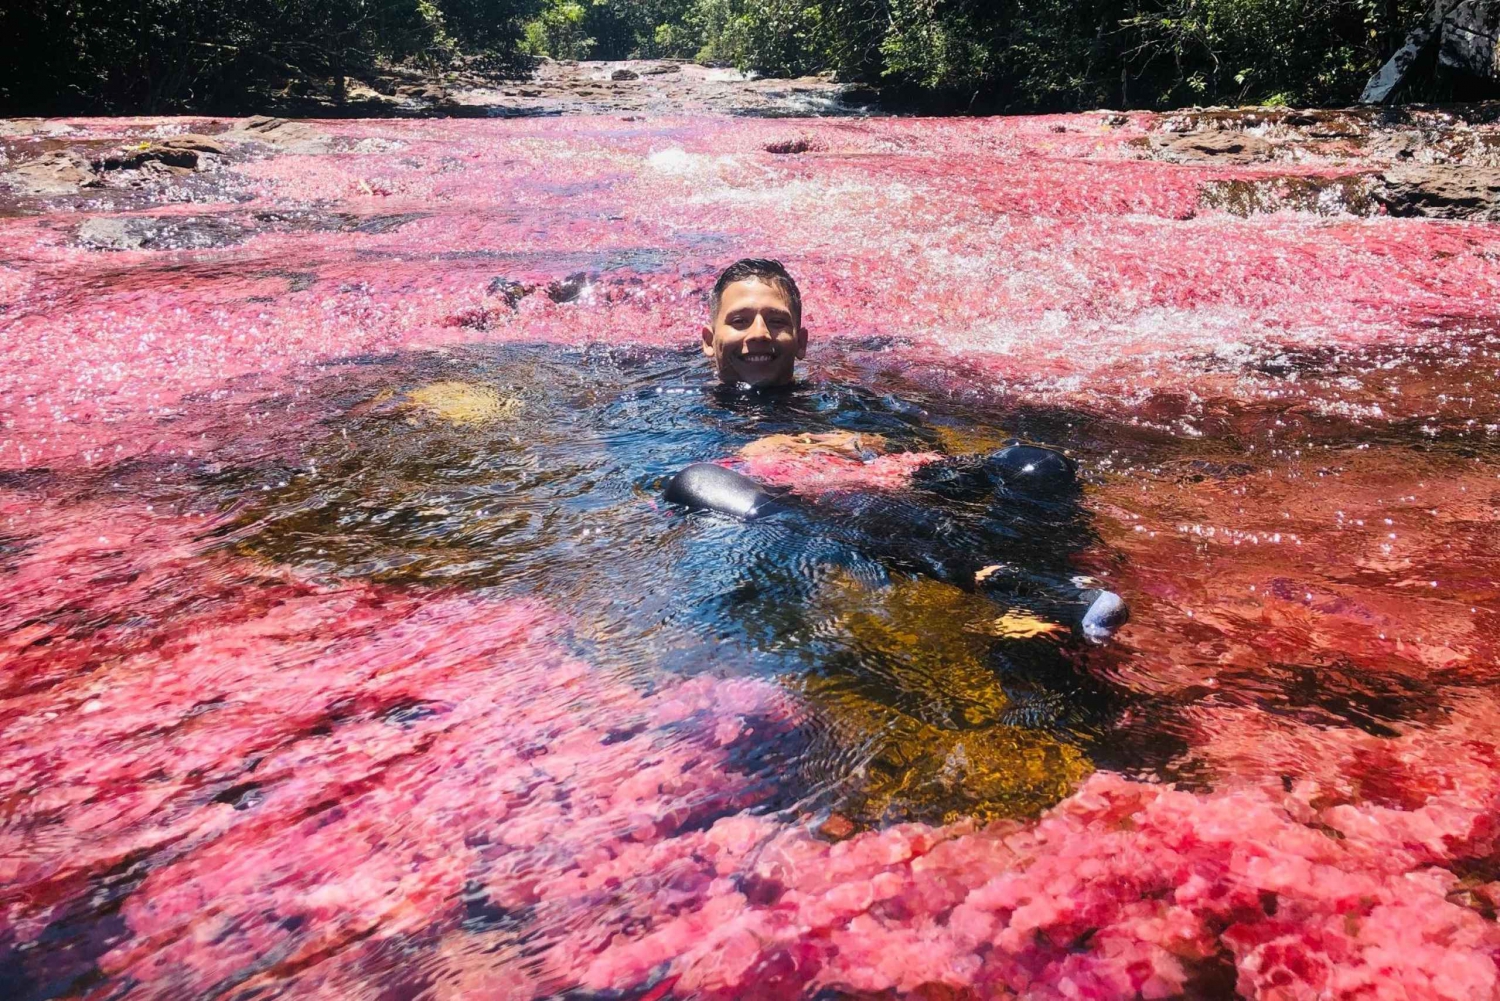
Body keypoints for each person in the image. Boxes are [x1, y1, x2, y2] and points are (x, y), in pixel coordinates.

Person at [666, 257, 1129, 645]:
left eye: (778, 321)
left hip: (889, 491)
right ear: (709, 340)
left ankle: (1050, 586)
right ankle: (1002, 583)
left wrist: (878, 455)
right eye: (740, 320)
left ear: (802, 343)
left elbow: (922, 451)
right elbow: (659, 471)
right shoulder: (671, 404)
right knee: (697, 479)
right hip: (792, 508)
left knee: (1036, 464)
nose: (761, 333)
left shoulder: (848, 401)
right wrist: (771, 460)